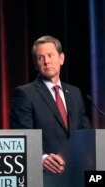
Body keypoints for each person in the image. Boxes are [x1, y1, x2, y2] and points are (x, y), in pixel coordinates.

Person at [10, 35, 91, 175]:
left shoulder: (74, 92)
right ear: (36, 64)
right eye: (40, 58)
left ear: (61, 59)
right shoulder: (24, 93)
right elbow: (22, 135)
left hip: (77, 170)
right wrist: (42, 158)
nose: (46, 61)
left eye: (50, 55)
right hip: (46, 175)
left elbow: (85, 131)